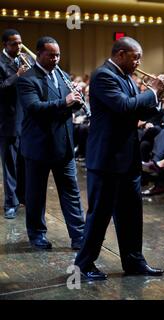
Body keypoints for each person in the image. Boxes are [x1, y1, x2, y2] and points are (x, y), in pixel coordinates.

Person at [74, 37, 164, 280]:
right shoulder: (103, 75)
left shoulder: (127, 77)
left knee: (131, 215)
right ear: (120, 54)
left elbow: (139, 109)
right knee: (100, 215)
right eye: (135, 57)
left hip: (126, 159)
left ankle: (134, 261)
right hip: (106, 160)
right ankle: (83, 265)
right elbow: (124, 106)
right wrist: (152, 91)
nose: (139, 62)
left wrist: (159, 98)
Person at [16, 36, 85, 250]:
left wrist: (76, 103)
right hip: (38, 146)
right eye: (51, 55)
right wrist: (65, 101)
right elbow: (34, 108)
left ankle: (79, 236)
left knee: (71, 193)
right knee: (36, 195)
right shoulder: (27, 79)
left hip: (63, 145)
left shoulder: (63, 75)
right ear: (39, 54)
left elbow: (66, 108)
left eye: (58, 55)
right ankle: (37, 235)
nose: (56, 59)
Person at [0, 29, 26, 219]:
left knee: (24, 164)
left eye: (20, 43)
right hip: (7, 121)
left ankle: (22, 197)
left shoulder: (25, 60)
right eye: (14, 44)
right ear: (5, 45)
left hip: (26, 120)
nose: (19, 47)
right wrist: (17, 74)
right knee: (10, 164)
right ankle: (10, 203)